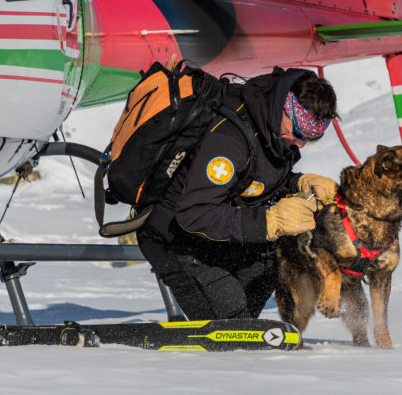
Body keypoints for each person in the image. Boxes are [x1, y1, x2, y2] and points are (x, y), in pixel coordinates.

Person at [137, 66, 339, 320]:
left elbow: (250, 181)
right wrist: (270, 221)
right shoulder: (230, 139)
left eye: (313, 137)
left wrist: (298, 183)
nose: (301, 143)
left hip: (219, 234)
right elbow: (194, 212)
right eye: (300, 131)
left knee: (279, 261)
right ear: (283, 109)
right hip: (175, 237)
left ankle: (239, 328)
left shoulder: (273, 133)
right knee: (233, 323)